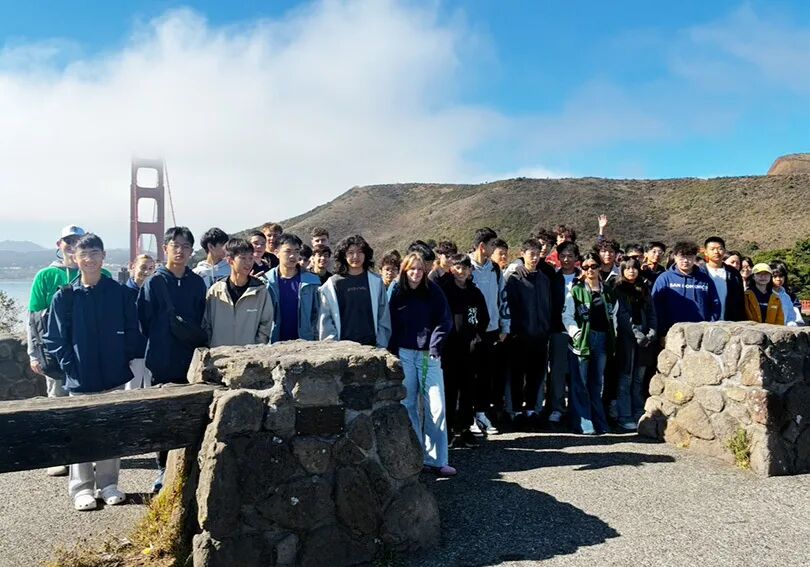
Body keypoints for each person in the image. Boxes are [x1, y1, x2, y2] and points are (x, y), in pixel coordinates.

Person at [44, 234, 140, 511]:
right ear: (75, 258)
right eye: (83, 254)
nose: (89, 259)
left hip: (113, 373)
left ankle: (109, 484)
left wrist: (122, 358)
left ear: (103, 256)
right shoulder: (65, 296)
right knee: (81, 433)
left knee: (111, 431)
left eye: (95, 253)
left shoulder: (119, 293)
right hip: (80, 376)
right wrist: (70, 365)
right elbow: (54, 338)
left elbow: (132, 329)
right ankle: (82, 488)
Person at [27, 224, 112, 477]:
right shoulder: (45, 276)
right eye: (68, 241)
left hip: (91, 353)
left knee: (95, 406)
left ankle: (93, 455)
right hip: (55, 351)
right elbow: (33, 318)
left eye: (78, 240)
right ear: (60, 245)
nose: (73, 244)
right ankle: (61, 456)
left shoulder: (103, 274)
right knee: (58, 404)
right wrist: (34, 354)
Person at [137, 226, 207, 493]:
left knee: (188, 416)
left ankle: (186, 468)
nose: (180, 251)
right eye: (175, 245)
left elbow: (201, 316)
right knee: (162, 418)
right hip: (161, 359)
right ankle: (162, 471)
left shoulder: (197, 283)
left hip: (190, 360)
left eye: (186, 246)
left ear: (191, 251)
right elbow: (144, 322)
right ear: (165, 248)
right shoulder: (154, 282)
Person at [388, 253, 454, 476]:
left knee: (436, 406)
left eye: (419, 269)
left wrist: (435, 346)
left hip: (429, 355)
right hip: (404, 353)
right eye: (411, 269)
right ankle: (417, 458)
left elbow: (444, 320)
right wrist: (392, 351)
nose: (416, 273)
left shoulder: (433, 290)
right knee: (408, 405)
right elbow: (389, 321)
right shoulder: (396, 291)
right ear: (404, 271)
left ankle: (437, 460)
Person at [438, 254, 489, 448]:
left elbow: (481, 318)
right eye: (457, 268)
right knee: (449, 390)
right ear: (452, 269)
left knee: (468, 390)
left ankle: (465, 428)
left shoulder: (474, 293)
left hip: (470, 350)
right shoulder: (444, 291)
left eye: (465, 268)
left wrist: (476, 337)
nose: (461, 272)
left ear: (470, 270)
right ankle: (449, 429)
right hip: (448, 349)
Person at [563, 252, 616, 435]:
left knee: (596, 383)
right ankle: (583, 423)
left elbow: (614, 315)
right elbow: (567, 316)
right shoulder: (576, 290)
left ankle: (600, 422)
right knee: (580, 382)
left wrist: (613, 335)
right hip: (583, 339)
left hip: (602, 339)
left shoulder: (607, 291)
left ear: (599, 267)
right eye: (585, 267)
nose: (590, 270)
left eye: (593, 266)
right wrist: (576, 334)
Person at [505, 239, 551, 429]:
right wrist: (515, 332)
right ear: (522, 254)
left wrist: (546, 328)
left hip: (540, 336)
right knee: (517, 375)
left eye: (537, 254)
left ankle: (531, 410)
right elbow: (509, 307)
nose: (534, 258)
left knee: (535, 375)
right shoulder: (514, 279)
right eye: (531, 254)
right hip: (519, 336)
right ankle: (516, 411)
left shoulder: (544, 279)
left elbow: (548, 306)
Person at [469, 227, 511, 435]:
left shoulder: (495, 269)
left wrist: (505, 325)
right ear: (482, 246)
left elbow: (503, 298)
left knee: (486, 375)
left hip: (492, 330)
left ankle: (482, 413)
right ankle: (468, 417)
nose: (495, 249)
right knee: (470, 375)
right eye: (492, 245)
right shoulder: (465, 266)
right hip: (470, 331)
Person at [319, 234, 391, 347]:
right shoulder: (332, 285)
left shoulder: (376, 282)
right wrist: (333, 347)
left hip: (372, 347)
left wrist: (381, 344)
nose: (355, 256)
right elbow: (326, 320)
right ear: (343, 255)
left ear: (366, 254)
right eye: (350, 252)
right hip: (342, 348)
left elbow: (383, 316)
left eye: (360, 252)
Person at [204, 238, 274, 347]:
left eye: (251, 258)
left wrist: (257, 347)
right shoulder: (216, 291)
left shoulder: (260, 291)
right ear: (230, 260)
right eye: (243, 258)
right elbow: (207, 324)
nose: (248, 262)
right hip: (219, 354)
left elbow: (266, 324)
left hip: (249, 355)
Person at [614, 258, 657, 430]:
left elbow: (651, 312)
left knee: (639, 378)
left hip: (645, 337)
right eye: (628, 268)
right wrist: (637, 334)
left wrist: (652, 332)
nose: (631, 271)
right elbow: (622, 315)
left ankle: (638, 411)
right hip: (626, 338)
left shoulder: (644, 288)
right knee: (626, 377)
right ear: (622, 270)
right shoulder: (618, 289)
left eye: (634, 268)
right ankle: (624, 415)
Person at [651, 241, 721, 339]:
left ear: (695, 257)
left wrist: (709, 325)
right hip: (672, 333)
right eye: (682, 257)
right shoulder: (664, 278)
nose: (685, 261)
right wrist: (662, 331)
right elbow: (655, 305)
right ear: (675, 257)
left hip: (700, 332)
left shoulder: (705, 279)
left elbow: (715, 304)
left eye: (689, 257)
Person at [266, 233, 321, 342]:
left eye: (296, 251)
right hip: (273, 342)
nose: (293, 256)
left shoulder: (312, 282)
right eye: (288, 251)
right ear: (276, 253)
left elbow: (318, 314)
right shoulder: (267, 282)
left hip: (305, 342)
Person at [125, 254, 155, 390]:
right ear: (133, 267)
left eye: (151, 268)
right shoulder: (123, 293)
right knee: (130, 392)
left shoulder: (155, 292)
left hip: (152, 350)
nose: (147, 271)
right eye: (143, 267)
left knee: (153, 391)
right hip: (132, 352)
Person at [700, 237, 745, 321]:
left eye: (720, 249)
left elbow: (740, 300)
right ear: (705, 252)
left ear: (724, 251)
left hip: (729, 321)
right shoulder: (699, 272)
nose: (716, 252)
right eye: (712, 249)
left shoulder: (733, 273)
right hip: (704, 322)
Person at [770, 262, 805, 326]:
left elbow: (792, 315)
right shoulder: (766, 294)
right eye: (774, 276)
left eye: (781, 276)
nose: (778, 279)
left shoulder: (787, 295)